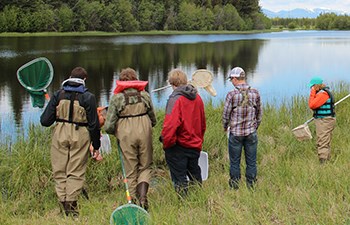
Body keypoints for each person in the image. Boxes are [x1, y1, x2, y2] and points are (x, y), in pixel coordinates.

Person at [40, 67, 101, 217]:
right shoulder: (88, 97)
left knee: (59, 170)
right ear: (84, 80)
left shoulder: (58, 94)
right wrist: (96, 145)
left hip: (60, 133)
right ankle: (71, 207)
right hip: (80, 134)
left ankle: (63, 204)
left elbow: (45, 121)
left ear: (69, 77)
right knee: (76, 171)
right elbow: (94, 124)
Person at [104, 68, 156, 210]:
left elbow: (108, 125)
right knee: (145, 165)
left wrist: (115, 132)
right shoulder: (144, 95)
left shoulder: (117, 98)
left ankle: (133, 202)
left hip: (126, 131)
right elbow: (153, 117)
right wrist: (149, 125)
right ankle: (143, 196)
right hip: (144, 128)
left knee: (130, 167)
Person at [160, 68, 206, 197]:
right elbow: (202, 123)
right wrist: (199, 140)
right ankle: (199, 198)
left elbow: (170, 126)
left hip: (178, 146)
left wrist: (167, 144)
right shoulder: (197, 98)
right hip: (195, 144)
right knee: (194, 174)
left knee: (179, 178)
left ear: (172, 84)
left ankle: (184, 204)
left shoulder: (174, 99)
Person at [222, 67, 262, 190]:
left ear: (235, 78)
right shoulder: (255, 93)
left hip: (235, 133)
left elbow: (226, 114)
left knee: (235, 162)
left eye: (231, 80)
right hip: (251, 132)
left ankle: (234, 186)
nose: (231, 82)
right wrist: (255, 126)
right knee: (252, 161)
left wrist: (225, 126)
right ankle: (251, 186)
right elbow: (259, 114)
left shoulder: (232, 95)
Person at [308, 76, 336, 164]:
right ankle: (326, 159)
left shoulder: (323, 94)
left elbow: (312, 105)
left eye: (312, 86)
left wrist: (313, 92)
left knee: (322, 141)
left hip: (324, 120)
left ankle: (323, 162)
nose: (311, 88)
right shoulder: (321, 93)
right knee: (325, 140)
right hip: (324, 120)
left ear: (316, 86)